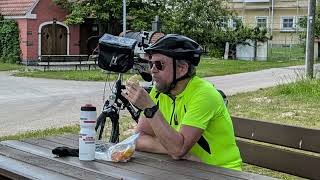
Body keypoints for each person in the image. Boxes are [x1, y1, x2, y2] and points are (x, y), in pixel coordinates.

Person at [122, 34, 242, 171]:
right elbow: (138, 138)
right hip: (188, 169)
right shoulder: (159, 91)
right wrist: (177, 151)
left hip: (222, 171)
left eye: (159, 65)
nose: (152, 70)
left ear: (182, 68)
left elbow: (178, 149)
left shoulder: (204, 94)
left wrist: (150, 108)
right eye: (151, 64)